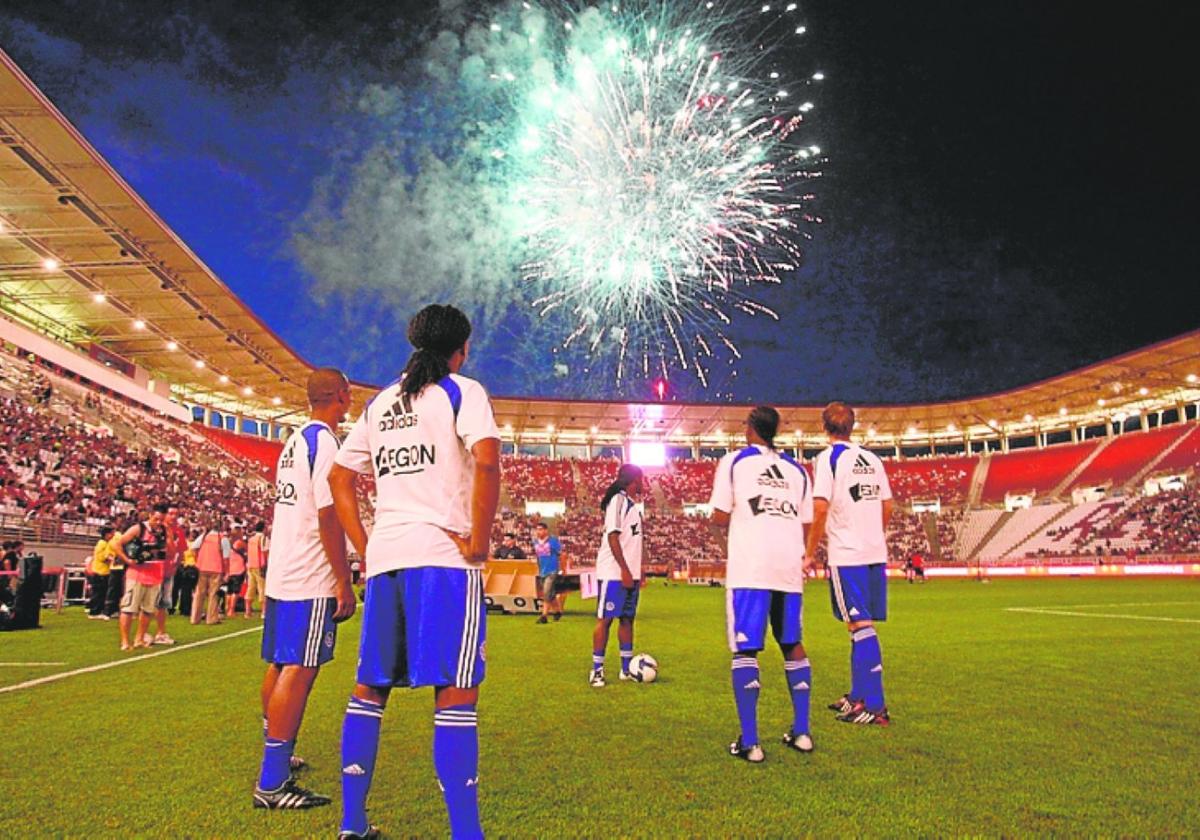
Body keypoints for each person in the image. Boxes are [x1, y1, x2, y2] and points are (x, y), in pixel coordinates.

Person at [329, 304, 500, 840]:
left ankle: (352, 824)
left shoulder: (381, 403)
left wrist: (366, 545)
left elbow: (339, 477)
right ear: (461, 348)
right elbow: (489, 460)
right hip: (443, 561)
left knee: (369, 689)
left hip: (389, 560)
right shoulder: (461, 391)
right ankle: (465, 834)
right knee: (454, 690)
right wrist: (480, 538)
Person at [253, 368, 357, 811]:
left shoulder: (296, 441)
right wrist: (342, 578)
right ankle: (272, 782)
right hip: (310, 573)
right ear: (340, 395)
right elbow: (328, 513)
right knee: (301, 666)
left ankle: (277, 747)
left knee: (281, 663)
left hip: (283, 571)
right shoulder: (327, 443)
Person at [710, 406, 815, 763]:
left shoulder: (734, 462)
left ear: (751, 429)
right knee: (792, 643)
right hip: (788, 567)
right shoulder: (798, 470)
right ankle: (802, 732)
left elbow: (720, 516)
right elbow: (804, 522)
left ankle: (751, 742)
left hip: (751, 567)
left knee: (746, 649)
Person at [804, 402, 894, 726]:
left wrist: (809, 552)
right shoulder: (872, 459)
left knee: (860, 625)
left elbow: (820, 509)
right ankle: (858, 696)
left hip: (848, 552)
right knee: (856, 625)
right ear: (852, 427)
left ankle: (875, 705)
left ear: (824, 427)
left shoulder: (828, 459)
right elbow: (887, 504)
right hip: (873, 551)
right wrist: (873, 533)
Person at [588, 463, 646, 688]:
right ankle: (597, 671)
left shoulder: (632, 504)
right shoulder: (618, 501)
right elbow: (613, 536)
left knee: (627, 619)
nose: (643, 483)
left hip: (629, 573)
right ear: (633, 481)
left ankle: (626, 669)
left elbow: (633, 541)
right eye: (641, 479)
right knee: (605, 619)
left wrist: (638, 569)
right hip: (614, 573)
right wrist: (623, 569)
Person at [115, 503, 169, 651]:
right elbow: (117, 544)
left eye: (161, 520)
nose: (158, 523)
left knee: (148, 610)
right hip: (137, 574)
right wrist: (128, 560)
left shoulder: (163, 531)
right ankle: (125, 641)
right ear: (150, 515)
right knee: (129, 608)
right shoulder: (139, 528)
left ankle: (140, 638)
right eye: (156, 519)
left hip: (155, 574)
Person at [190, 521, 229, 625]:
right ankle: (211, 618)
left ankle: (195, 617)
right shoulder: (223, 539)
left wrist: (198, 559)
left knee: (199, 593)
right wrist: (227, 572)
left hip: (202, 567)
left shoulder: (204, 537)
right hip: (217, 568)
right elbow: (226, 558)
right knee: (213, 594)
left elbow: (193, 548)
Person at [533, 522, 563, 624]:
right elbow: (538, 557)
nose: (538, 531)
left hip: (552, 570)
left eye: (541, 529)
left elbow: (561, 554)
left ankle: (544, 616)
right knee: (550, 593)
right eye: (537, 529)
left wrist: (562, 568)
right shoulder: (535, 542)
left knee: (546, 592)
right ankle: (558, 611)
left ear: (546, 530)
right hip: (542, 571)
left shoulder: (553, 541)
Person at [87, 526, 117, 619]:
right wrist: (113, 559)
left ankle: (97, 610)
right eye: (112, 533)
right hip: (100, 572)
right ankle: (94, 612)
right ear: (107, 534)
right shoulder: (102, 544)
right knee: (98, 593)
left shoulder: (104, 543)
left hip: (102, 572)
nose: (113, 535)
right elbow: (103, 557)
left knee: (100, 592)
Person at [245, 521, 268, 617]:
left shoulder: (251, 539)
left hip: (250, 565)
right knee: (262, 588)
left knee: (251, 587)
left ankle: (248, 612)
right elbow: (265, 552)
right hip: (260, 565)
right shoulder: (263, 538)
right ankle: (263, 611)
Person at [225, 523, 248, 619]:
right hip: (238, 568)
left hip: (230, 568)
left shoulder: (229, 541)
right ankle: (231, 610)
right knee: (236, 590)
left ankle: (227, 608)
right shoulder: (239, 542)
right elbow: (247, 550)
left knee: (229, 591)